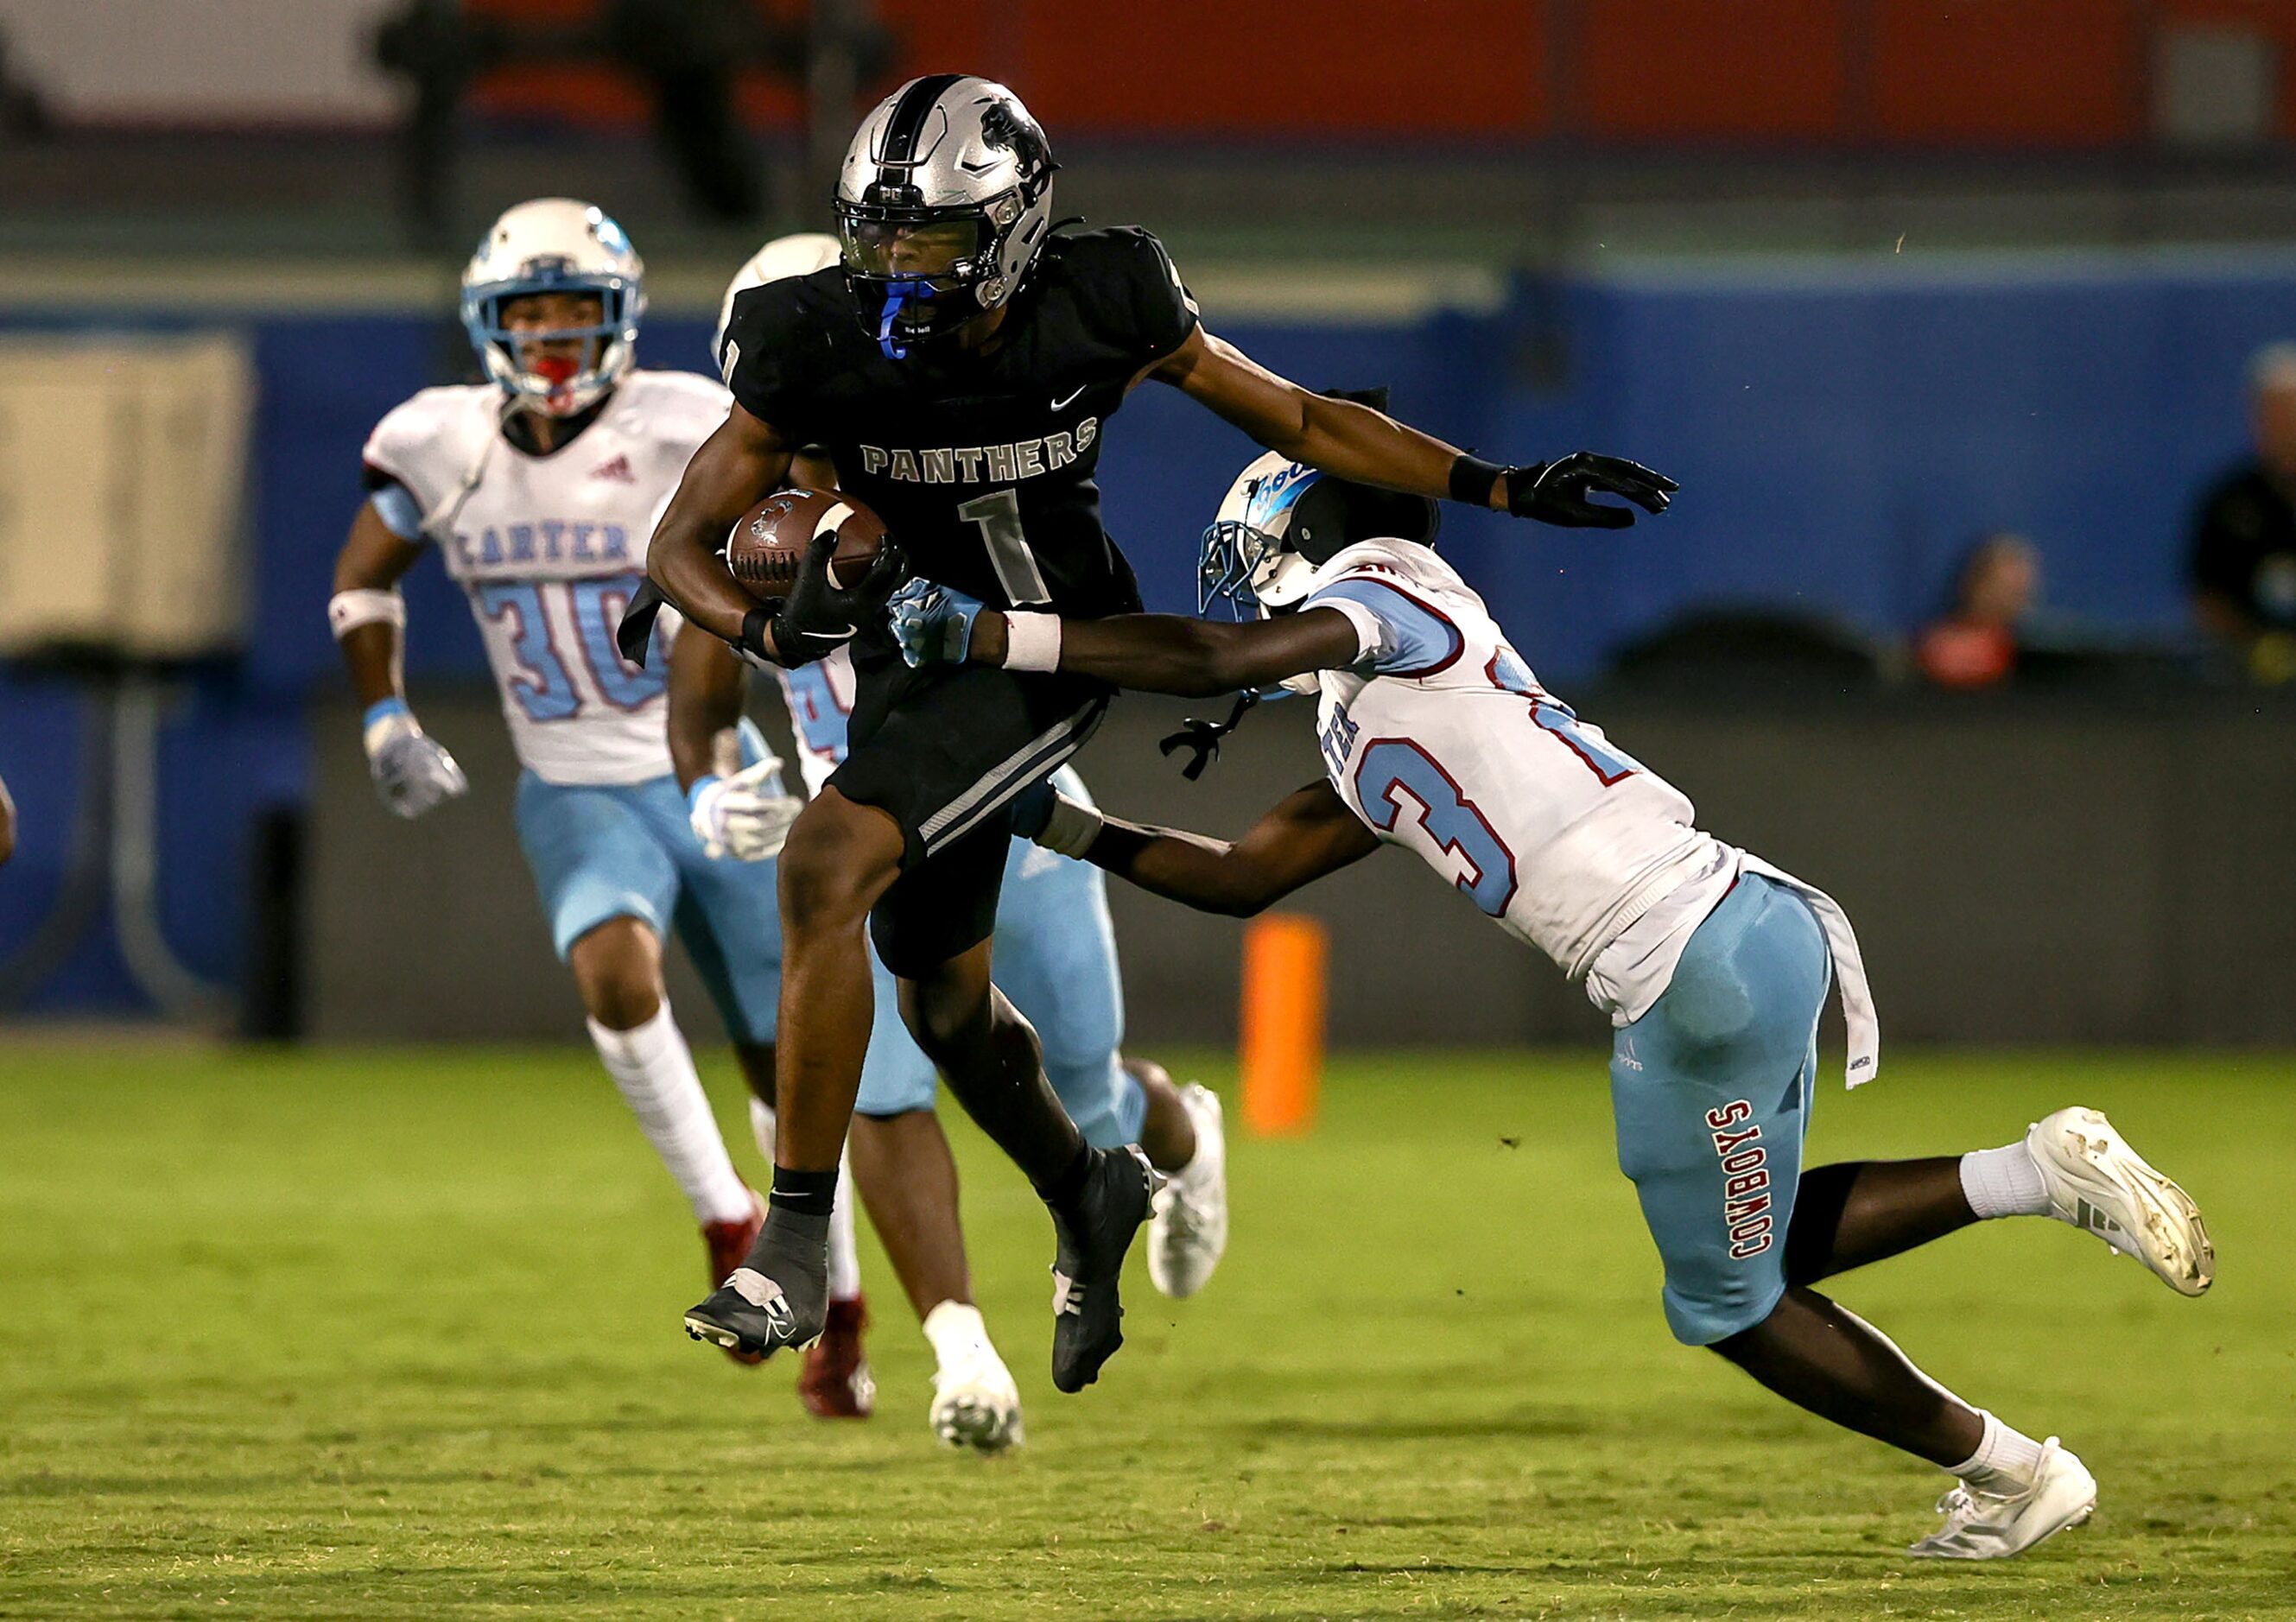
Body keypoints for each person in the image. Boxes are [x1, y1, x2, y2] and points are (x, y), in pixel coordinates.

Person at [887, 446, 2216, 1559]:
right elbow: (1240, 877)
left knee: (1731, 1306)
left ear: (1292, 546)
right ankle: (2032, 1177)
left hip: (1680, 968)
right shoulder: (1363, 728)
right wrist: (1053, 820)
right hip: (1742, 926)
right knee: (1753, 1255)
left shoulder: (1386, 584)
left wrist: (1009, 636)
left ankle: (2015, 1468)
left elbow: (1216, 653)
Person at [630, 73, 1673, 1391]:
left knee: (824, 860)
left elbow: (1294, 417)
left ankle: (789, 1240)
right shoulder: (807, 336)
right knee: (942, 1004)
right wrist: (763, 627)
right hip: (912, 661)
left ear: (1013, 227)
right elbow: (675, 543)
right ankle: (1089, 1190)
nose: (900, 268)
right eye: (880, 236)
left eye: (936, 240)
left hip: (1052, 640)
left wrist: (1498, 484)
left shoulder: (1101, 295)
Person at [663, 235, 1233, 1451]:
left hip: (1012, 794)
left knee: (1083, 1075)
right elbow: (698, 674)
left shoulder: (943, 464)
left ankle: (1167, 1146)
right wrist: (715, 789)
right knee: (892, 1072)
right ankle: (957, 1346)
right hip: (864, 816)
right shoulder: (761, 501)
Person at [327, 197, 879, 1416]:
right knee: (614, 976)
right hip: (574, 781)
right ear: (488, 323)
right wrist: (382, 711)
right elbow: (364, 578)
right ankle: (722, 1214)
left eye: (578, 313)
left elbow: (791, 533)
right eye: (533, 315)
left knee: (780, 1053)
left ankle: (835, 1305)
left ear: (622, 318)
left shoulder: (691, 417)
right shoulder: (440, 440)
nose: (557, 338)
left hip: (711, 769)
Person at [2187, 342, 2296, 684]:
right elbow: (2208, 595)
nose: (2285, 424)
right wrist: (2253, 645)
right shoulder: (2231, 501)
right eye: (2274, 411)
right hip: (2248, 675)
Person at [1913, 532, 2040, 690]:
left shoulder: (2033, 659)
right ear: (1976, 583)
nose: (2015, 600)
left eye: (2020, 592)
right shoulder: (1936, 647)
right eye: (2004, 588)